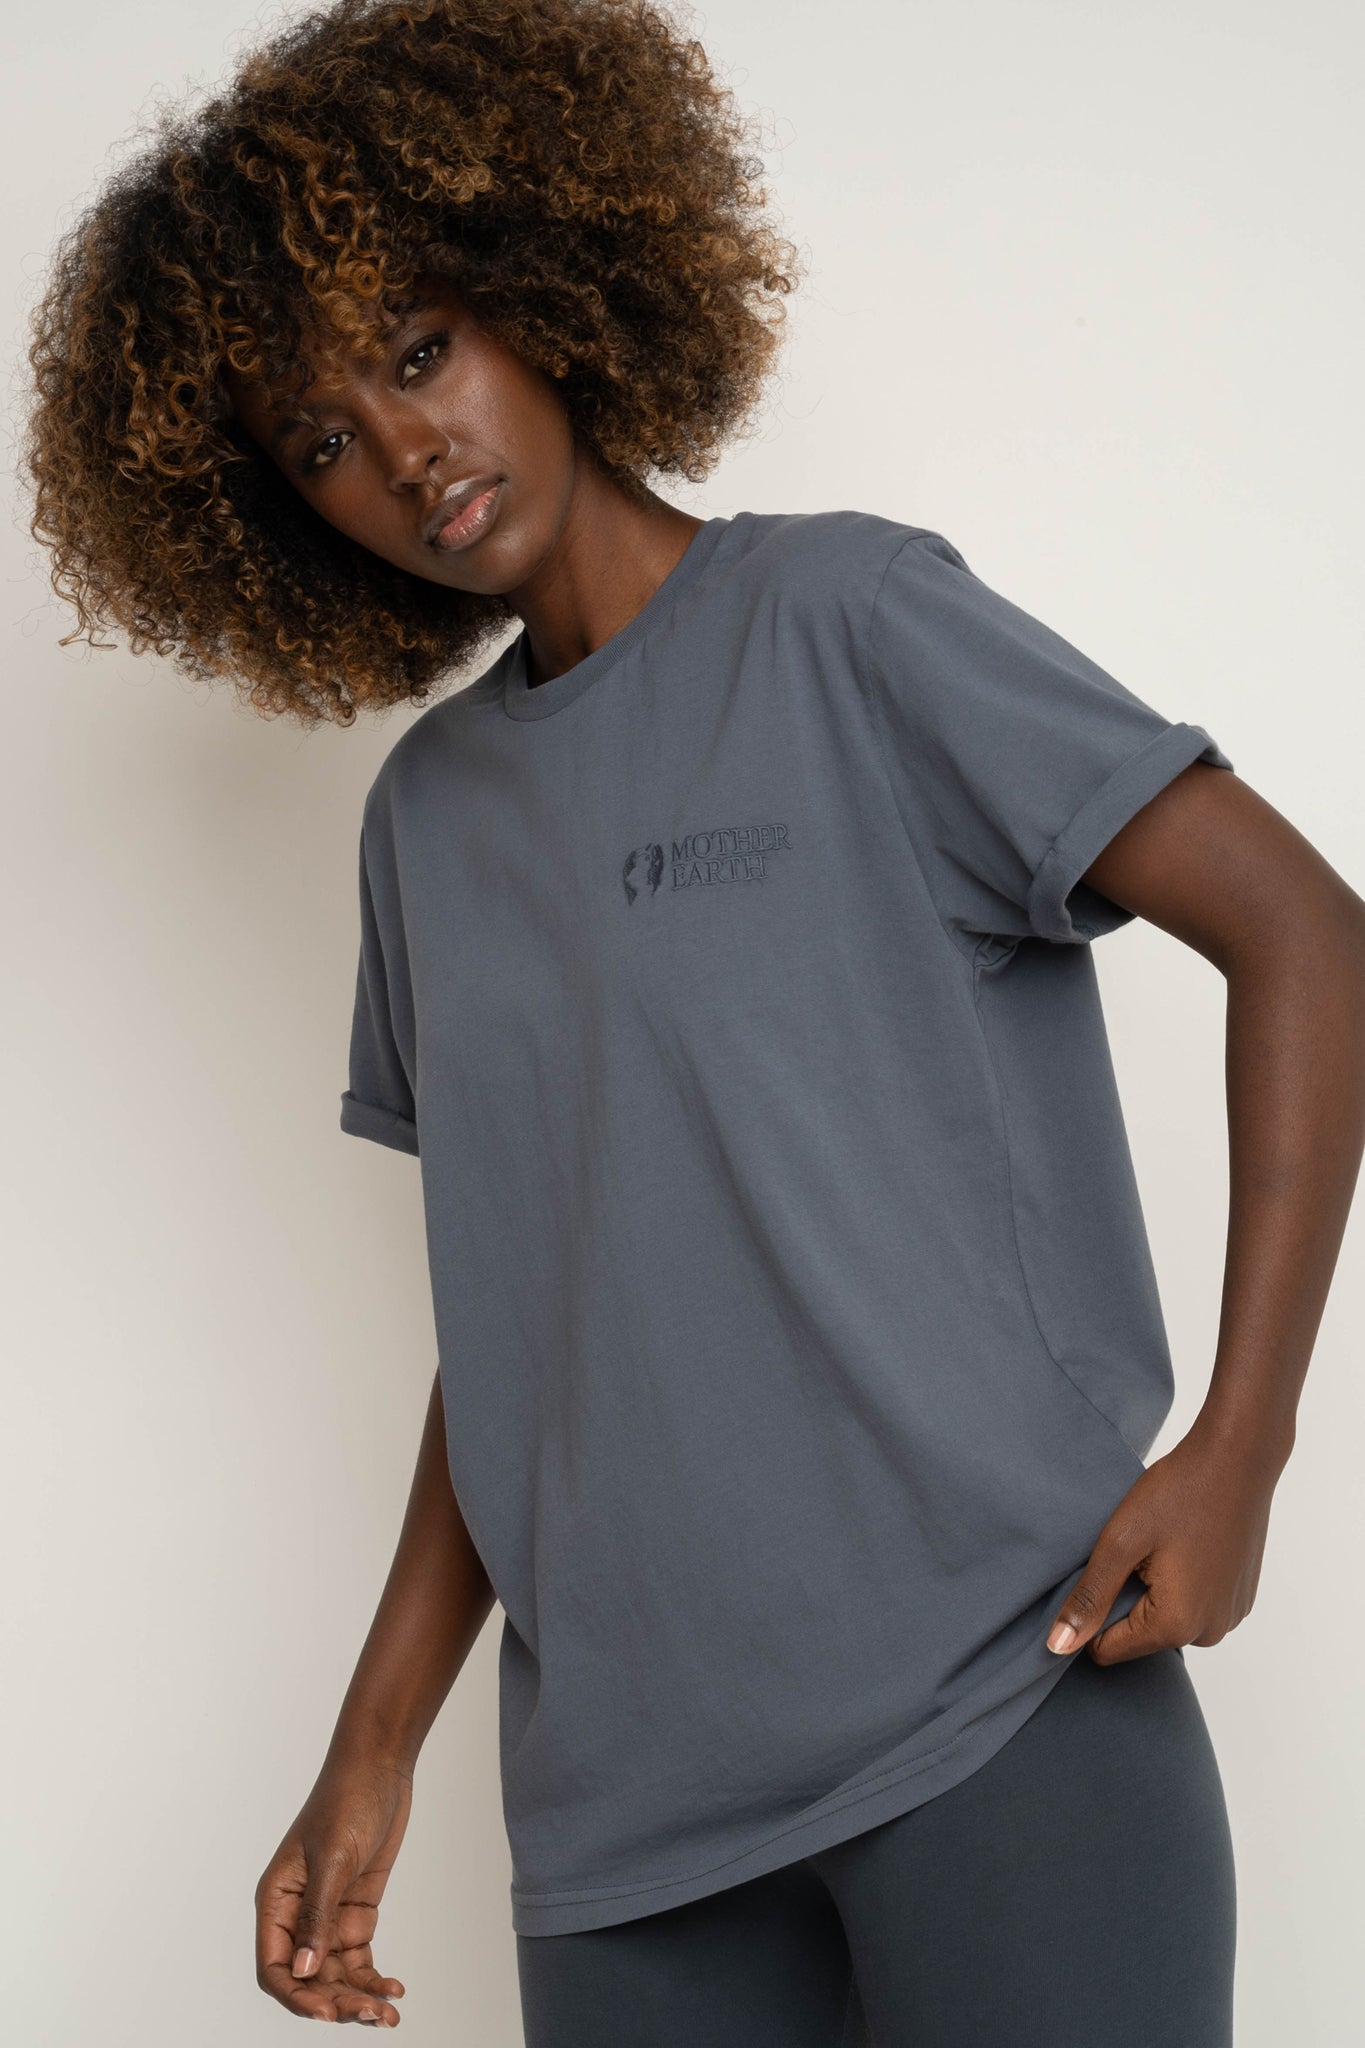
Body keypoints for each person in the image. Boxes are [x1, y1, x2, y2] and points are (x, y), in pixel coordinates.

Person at [22, 1, 1365, 2041]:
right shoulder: (428, 826)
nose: (404, 450)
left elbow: (1305, 935)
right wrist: (373, 1744)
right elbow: (525, 1318)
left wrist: (1239, 1447)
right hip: (624, 1834)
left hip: (998, 1710)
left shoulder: (847, 622)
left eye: (417, 350)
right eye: (321, 439)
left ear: (541, 288)